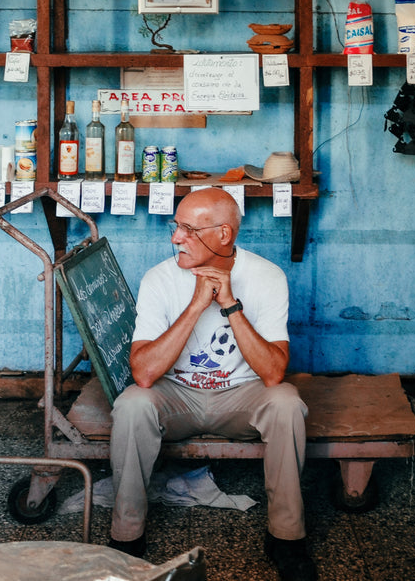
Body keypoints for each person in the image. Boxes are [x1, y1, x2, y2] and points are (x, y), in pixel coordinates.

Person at [107, 188, 317, 581]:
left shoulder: (267, 276)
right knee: (133, 402)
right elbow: (144, 374)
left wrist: (229, 304)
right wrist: (196, 304)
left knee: (286, 402)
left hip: (240, 397)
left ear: (224, 234)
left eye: (188, 229)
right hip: (177, 397)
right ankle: (126, 538)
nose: (175, 238)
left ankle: (287, 538)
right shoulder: (159, 279)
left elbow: (273, 373)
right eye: (176, 227)